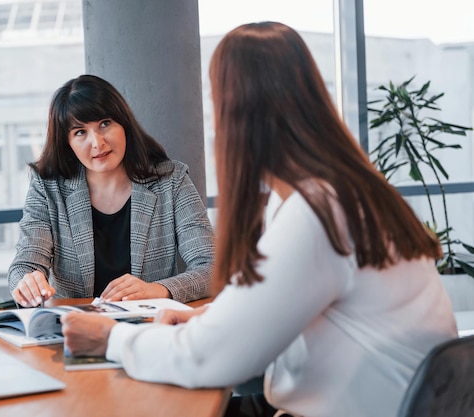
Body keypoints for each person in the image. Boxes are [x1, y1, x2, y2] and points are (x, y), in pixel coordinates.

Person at [60, 22, 458, 417]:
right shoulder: (343, 192)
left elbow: (210, 359)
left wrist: (111, 338)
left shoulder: (318, 213)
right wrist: (205, 316)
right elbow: (277, 301)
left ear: (240, 117)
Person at [8, 74, 214, 307]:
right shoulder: (48, 187)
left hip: (150, 329)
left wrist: (158, 290)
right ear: (68, 143)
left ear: (123, 123)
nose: (97, 143)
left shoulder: (171, 180)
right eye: (80, 132)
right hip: (75, 331)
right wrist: (27, 283)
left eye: (105, 124)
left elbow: (212, 266)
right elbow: (24, 265)